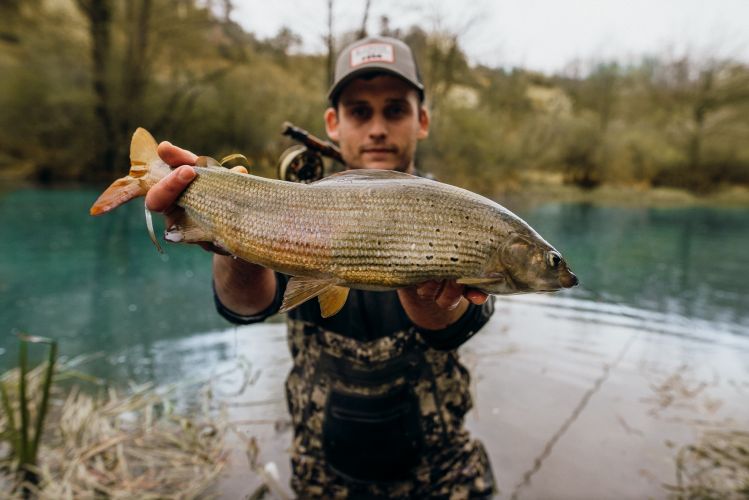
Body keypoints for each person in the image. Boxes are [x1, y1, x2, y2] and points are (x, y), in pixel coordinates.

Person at [146, 36, 497, 499]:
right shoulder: (294, 200)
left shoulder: (459, 212)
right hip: (322, 475)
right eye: (359, 112)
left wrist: (420, 275)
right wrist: (230, 225)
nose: (376, 129)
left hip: (445, 474)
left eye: (394, 110)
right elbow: (247, 306)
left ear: (422, 120)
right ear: (333, 122)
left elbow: (456, 325)